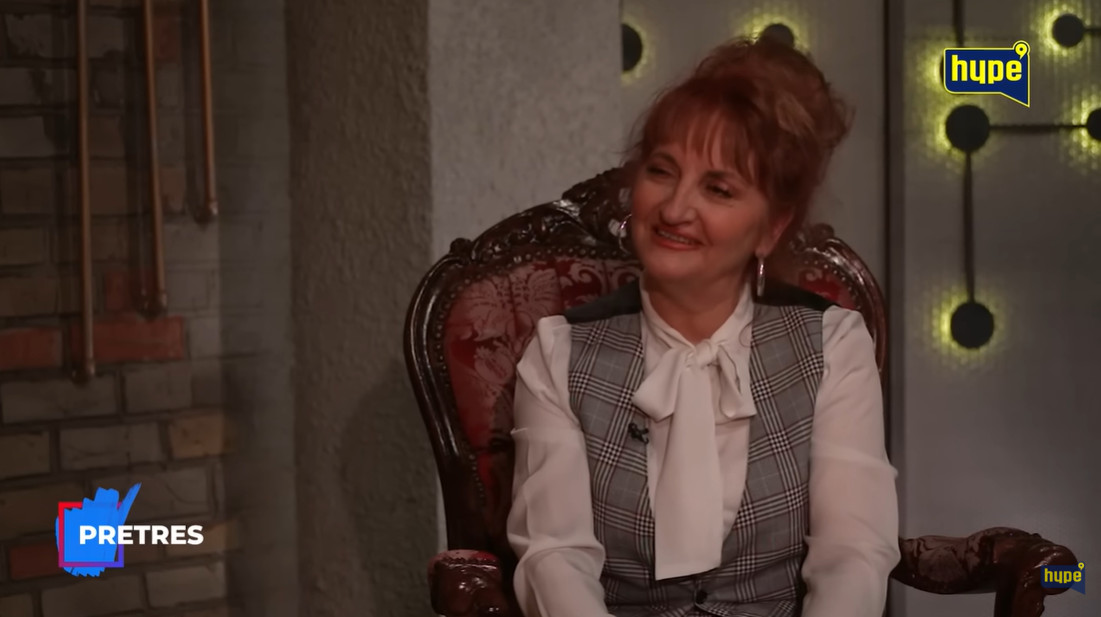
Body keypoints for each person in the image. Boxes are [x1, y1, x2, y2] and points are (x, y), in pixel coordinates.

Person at [505, 36, 900, 617]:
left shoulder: (833, 345)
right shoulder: (559, 352)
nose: (674, 209)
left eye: (718, 189)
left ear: (772, 227)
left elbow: (852, 554)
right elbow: (554, 557)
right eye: (662, 172)